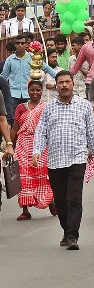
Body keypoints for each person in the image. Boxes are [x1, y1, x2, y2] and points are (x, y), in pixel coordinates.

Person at [33, 71, 94, 250]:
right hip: (55, 160)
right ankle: (66, 230)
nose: (64, 85)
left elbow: (92, 133)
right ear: (56, 85)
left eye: (67, 82)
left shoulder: (84, 106)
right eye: (61, 82)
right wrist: (37, 150)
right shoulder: (48, 107)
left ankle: (73, 235)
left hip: (77, 158)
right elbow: (41, 131)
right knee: (61, 200)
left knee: (74, 197)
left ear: (73, 84)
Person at [11, 80, 55, 220]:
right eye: (32, 90)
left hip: (40, 144)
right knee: (23, 177)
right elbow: (15, 128)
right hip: (23, 145)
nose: (35, 93)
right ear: (28, 91)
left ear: (42, 91)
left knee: (43, 174)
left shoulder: (46, 107)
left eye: (38, 90)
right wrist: (10, 146)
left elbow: (50, 128)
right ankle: (25, 210)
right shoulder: (21, 108)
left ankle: (50, 203)